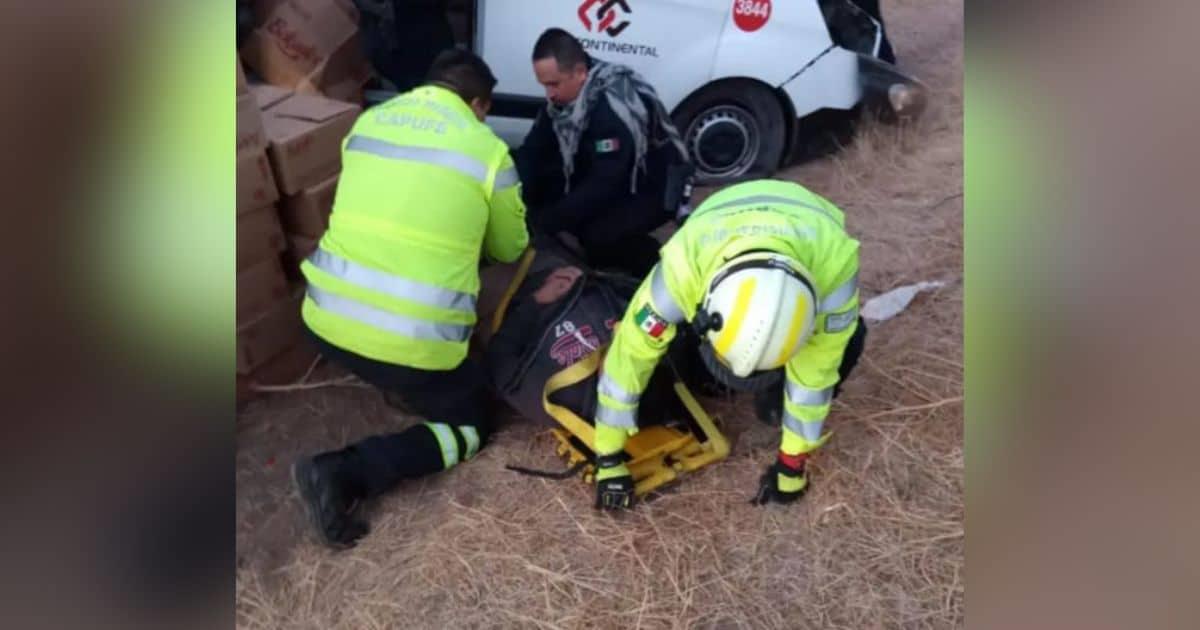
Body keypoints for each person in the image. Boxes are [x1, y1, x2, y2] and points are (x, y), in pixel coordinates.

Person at [291, 49, 528, 548]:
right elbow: (510, 247)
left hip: (324, 321)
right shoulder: (486, 150)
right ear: (478, 103)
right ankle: (344, 473)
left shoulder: (368, 122)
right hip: (412, 345)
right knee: (471, 425)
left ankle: (393, 380)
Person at [590, 179, 867, 510]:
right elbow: (628, 358)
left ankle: (773, 397)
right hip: (717, 229)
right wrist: (607, 459)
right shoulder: (681, 269)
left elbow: (815, 377)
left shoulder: (835, 273)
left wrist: (791, 466)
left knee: (846, 340)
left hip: (806, 223)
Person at [513, 28, 692, 277]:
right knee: (538, 192)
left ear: (580, 73)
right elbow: (534, 150)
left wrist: (547, 221)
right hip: (611, 174)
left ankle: (657, 270)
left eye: (554, 84)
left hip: (653, 185)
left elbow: (605, 183)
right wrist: (511, 195)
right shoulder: (565, 102)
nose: (549, 94)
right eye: (545, 85)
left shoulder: (611, 109)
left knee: (597, 236)